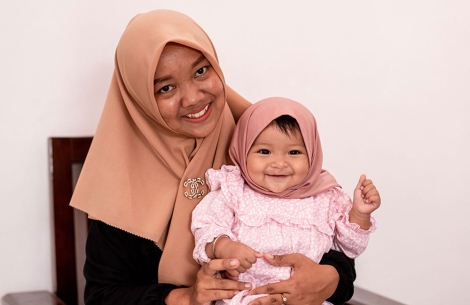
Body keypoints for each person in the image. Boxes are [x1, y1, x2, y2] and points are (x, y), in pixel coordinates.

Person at [70, 9, 357, 305]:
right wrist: (186, 297)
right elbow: (102, 296)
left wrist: (330, 279)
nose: (194, 98)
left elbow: (326, 231)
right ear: (140, 98)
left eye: (201, 71)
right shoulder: (121, 178)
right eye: (166, 87)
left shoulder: (258, 144)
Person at [192, 97, 381, 305]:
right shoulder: (234, 191)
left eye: (294, 152)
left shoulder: (325, 197)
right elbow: (206, 225)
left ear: (312, 155)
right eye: (264, 151)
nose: (279, 163)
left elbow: (350, 248)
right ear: (242, 151)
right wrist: (224, 246)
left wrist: (360, 214)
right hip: (245, 297)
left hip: (307, 298)